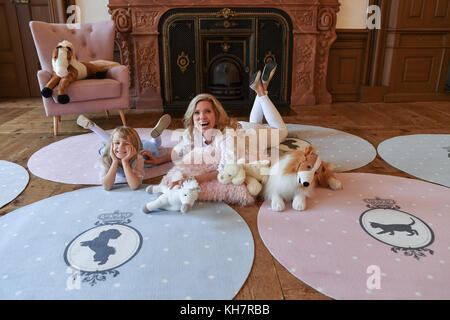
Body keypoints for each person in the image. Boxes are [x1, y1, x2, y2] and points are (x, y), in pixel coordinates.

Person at [169, 61, 287, 188]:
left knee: (282, 131)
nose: (202, 116)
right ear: (192, 117)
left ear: (216, 114)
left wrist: (196, 178)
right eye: (197, 112)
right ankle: (261, 87)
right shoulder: (195, 132)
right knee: (254, 123)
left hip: (254, 135)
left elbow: (226, 169)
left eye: (207, 111)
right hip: (243, 128)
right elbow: (180, 149)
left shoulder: (226, 138)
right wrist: (159, 159)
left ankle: (262, 91)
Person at [76, 114, 172, 190]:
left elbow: (134, 186)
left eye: (126, 143)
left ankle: (156, 136)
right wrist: (114, 162)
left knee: (153, 147)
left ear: (135, 148)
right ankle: (93, 127)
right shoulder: (106, 158)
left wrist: (125, 162)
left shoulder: (138, 157)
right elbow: (106, 186)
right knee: (112, 141)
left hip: (140, 147)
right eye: (117, 143)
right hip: (109, 150)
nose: (121, 147)